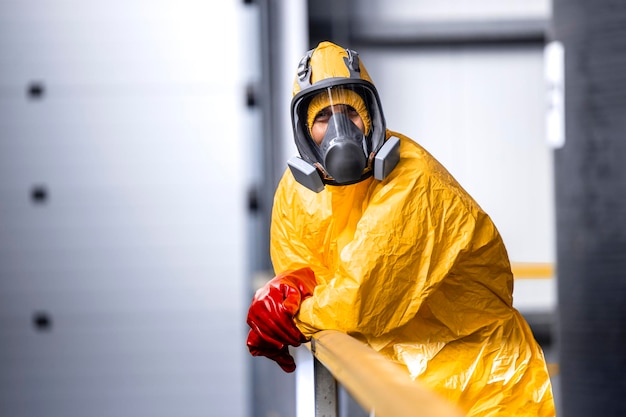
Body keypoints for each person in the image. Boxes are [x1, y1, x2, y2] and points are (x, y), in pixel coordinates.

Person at [246, 40, 555, 416]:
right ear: (304, 130)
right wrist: (285, 292)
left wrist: (292, 314)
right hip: (400, 380)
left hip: (485, 384)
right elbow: (303, 272)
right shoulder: (297, 192)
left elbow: (358, 303)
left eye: (350, 113)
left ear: (372, 117)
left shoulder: (411, 179)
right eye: (323, 118)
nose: (339, 131)